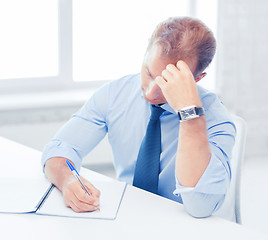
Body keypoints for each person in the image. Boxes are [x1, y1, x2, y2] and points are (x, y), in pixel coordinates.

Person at [41, 17, 236, 217]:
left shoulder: (216, 118)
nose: (151, 93)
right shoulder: (115, 94)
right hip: (128, 215)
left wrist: (190, 114)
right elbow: (60, 148)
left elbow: (200, 207)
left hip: (185, 225)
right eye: (149, 73)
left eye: (167, 81)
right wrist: (67, 181)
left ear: (196, 78)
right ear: (145, 54)